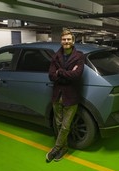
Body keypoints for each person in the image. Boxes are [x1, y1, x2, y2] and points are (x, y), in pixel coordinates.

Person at [46, 29, 84, 162]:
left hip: (71, 96)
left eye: (68, 39)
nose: (66, 42)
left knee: (66, 126)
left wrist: (60, 72)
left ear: (72, 41)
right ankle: (64, 148)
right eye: (64, 39)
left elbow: (77, 75)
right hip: (57, 96)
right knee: (58, 124)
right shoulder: (56, 56)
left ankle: (56, 149)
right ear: (61, 41)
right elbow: (51, 76)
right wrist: (67, 73)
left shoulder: (79, 56)